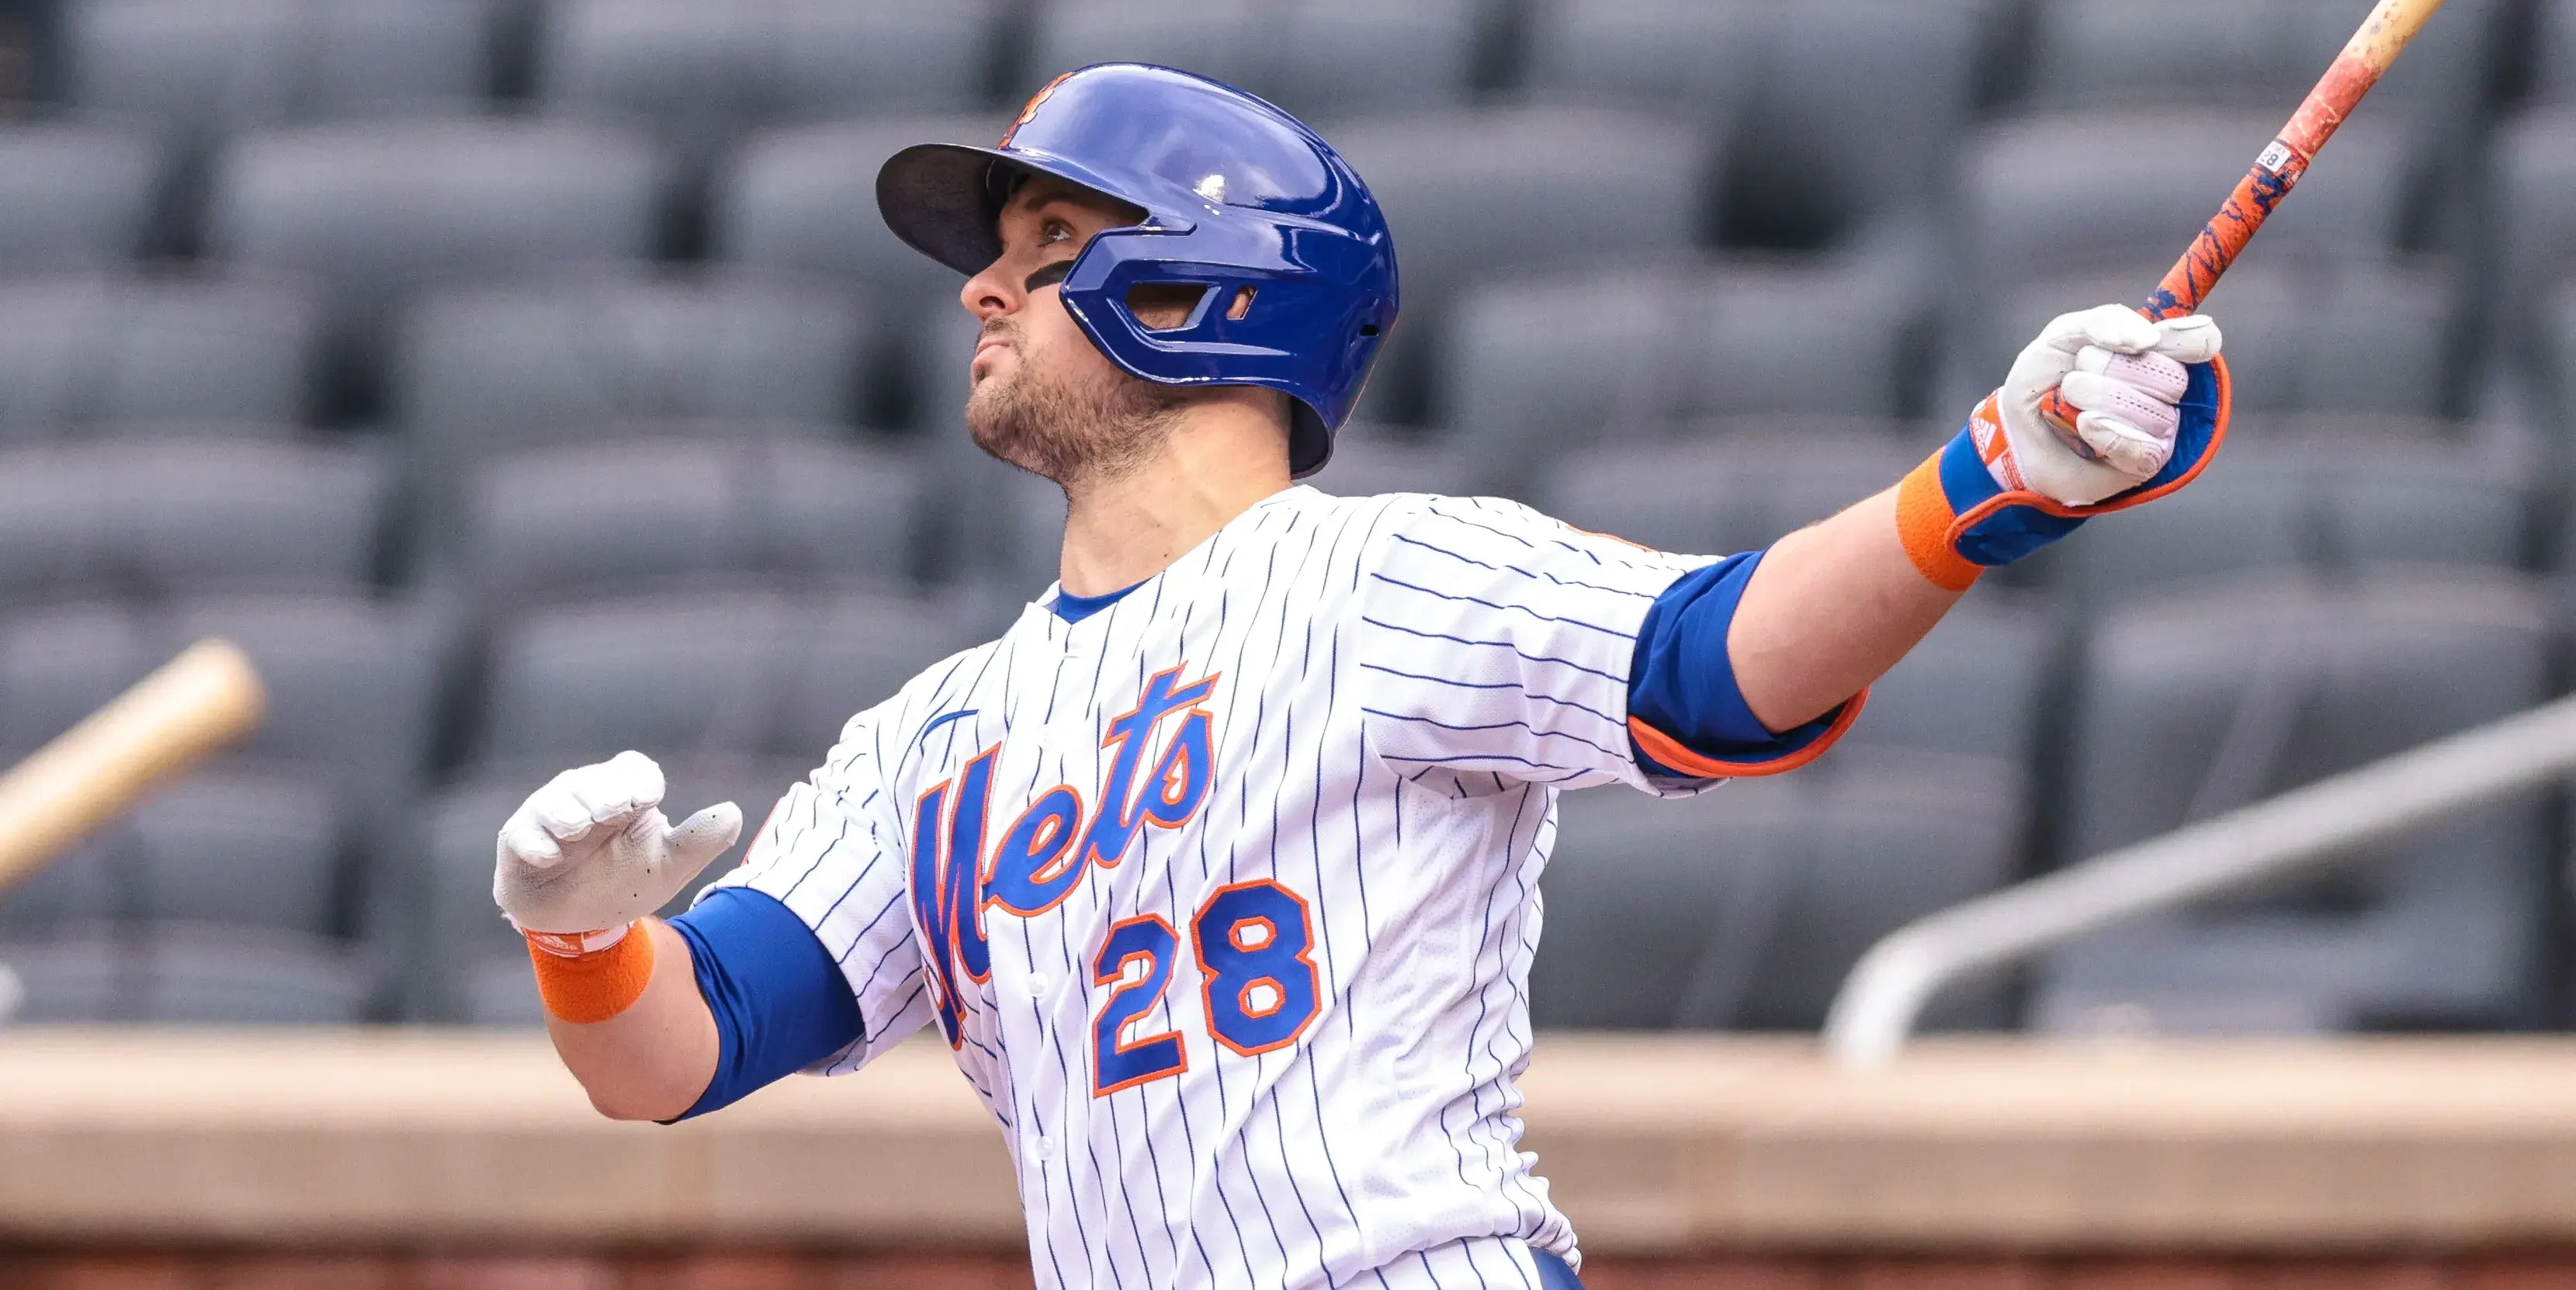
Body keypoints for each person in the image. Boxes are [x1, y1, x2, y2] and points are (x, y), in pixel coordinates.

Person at [493, 63, 2225, 1289]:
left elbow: (1711, 669)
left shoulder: (1380, 576)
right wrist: (585, 943)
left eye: (1038, 246)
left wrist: (1990, 479)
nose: (983, 296)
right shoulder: (927, 736)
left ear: (1202, 280)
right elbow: (682, 1052)